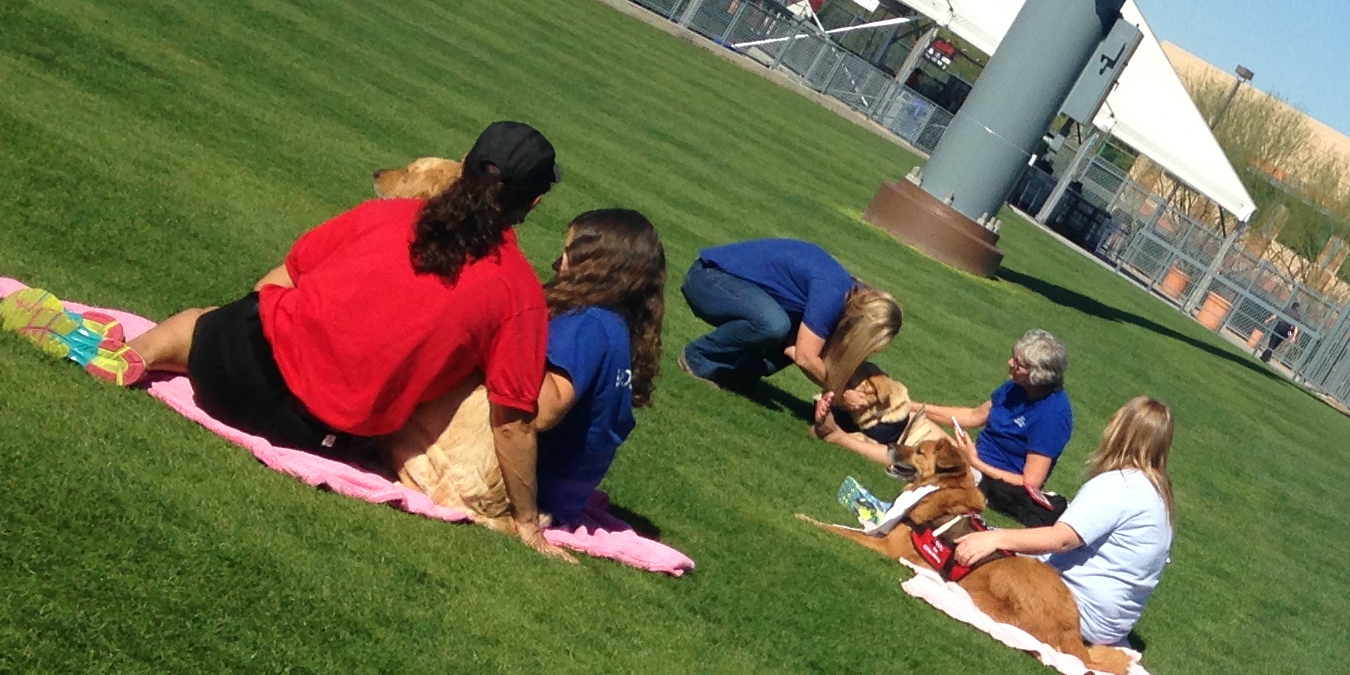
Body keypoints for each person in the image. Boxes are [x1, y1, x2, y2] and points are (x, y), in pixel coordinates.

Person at [119, 121, 570, 559]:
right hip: (304, 430)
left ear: (465, 162)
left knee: (200, 323)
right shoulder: (518, 292)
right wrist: (527, 522)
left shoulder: (384, 215)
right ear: (531, 203)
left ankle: (133, 354)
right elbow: (513, 421)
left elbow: (271, 285)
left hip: (225, 368)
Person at [392, 207, 665, 529]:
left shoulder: (586, 324)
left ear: (595, 265)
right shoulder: (615, 326)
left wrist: (506, 338)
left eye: (566, 253)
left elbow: (544, 410)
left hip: (532, 488)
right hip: (564, 496)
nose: (555, 263)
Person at [944, 396, 1174, 669]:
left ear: (1119, 431)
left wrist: (996, 537)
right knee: (993, 543)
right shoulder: (1159, 495)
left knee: (973, 553)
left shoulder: (1118, 486)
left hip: (1076, 611)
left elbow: (1062, 539)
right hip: (1110, 626)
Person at [680, 236, 899, 402]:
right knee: (774, 324)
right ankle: (697, 357)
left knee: (794, 330)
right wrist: (842, 392)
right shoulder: (833, 292)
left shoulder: (844, 294)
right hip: (707, 278)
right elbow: (805, 356)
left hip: (723, 284)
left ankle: (735, 375)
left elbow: (795, 349)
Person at [903, 330, 1072, 524]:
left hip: (989, 480)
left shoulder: (1053, 416)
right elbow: (973, 416)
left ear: (1037, 376)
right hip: (971, 456)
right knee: (907, 419)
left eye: (1018, 364)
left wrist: (974, 461)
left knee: (920, 454)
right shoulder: (1016, 387)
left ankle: (862, 447)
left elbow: (1030, 482)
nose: (1010, 363)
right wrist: (914, 407)